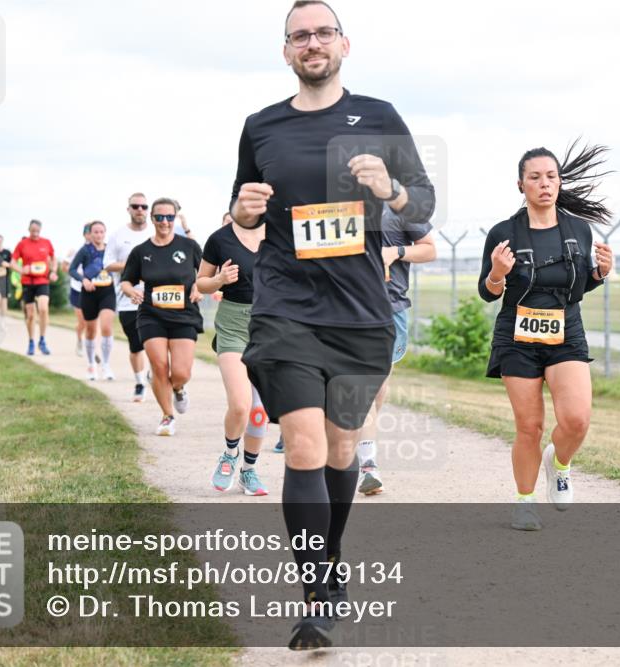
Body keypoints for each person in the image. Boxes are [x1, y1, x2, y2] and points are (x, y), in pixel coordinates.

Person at [229, 0, 435, 649]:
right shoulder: (261, 127)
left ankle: (330, 557)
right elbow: (242, 212)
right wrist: (243, 207)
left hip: (359, 313)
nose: (311, 43)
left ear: (344, 44)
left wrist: (391, 191)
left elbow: (423, 202)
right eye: (299, 36)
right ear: (286, 51)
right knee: (306, 447)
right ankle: (317, 595)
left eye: (322, 33)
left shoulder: (378, 117)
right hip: (286, 306)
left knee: (343, 450)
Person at [478, 144, 614, 532]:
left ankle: (560, 464)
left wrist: (600, 273)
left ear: (559, 181)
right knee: (530, 426)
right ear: (520, 184)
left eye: (551, 176)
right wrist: (497, 273)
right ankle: (525, 502)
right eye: (535, 177)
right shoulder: (503, 233)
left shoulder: (578, 230)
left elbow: (577, 286)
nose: (544, 184)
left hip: (566, 329)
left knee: (576, 420)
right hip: (517, 334)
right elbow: (487, 292)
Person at [355, 204, 437, 495]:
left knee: (376, 390)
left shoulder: (401, 207)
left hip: (391, 309)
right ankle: (368, 465)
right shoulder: (337, 206)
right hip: (349, 308)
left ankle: (358, 436)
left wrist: (397, 252)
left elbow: (429, 249)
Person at [196, 213, 269, 496]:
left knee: (260, 411)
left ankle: (249, 471)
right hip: (233, 325)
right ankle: (229, 454)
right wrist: (219, 279)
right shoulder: (220, 239)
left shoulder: (277, 236)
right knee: (241, 404)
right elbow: (201, 283)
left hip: (269, 326)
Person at [120, 198, 204, 436]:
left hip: (184, 315)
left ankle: (178, 388)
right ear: (152, 219)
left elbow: (207, 273)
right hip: (151, 315)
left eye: (169, 217)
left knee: (181, 372)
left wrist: (199, 288)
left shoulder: (189, 246)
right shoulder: (141, 251)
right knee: (159, 366)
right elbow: (126, 280)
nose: (165, 222)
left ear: (175, 217)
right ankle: (167, 416)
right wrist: (131, 291)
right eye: (159, 217)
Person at [104, 192, 152, 402]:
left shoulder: (153, 233)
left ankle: (154, 373)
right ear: (129, 209)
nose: (139, 210)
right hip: (127, 300)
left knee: (157, 341)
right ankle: (140, 381)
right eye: (135, 206)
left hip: (154, 298)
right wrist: (132, 266)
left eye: (143, 206)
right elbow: (108, 264)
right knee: (136, 345)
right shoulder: (117, 235)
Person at [69, 221, 117, 381]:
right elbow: (72, 269)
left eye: (101, 232)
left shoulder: (110, 249)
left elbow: (119, 265)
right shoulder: (85, 250)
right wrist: (83, 280)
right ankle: (91, 364)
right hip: (89, 293)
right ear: (90, 234)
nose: (98, 235)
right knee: (90, 331)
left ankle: (106, 364)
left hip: (107, 292)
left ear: (105, 233)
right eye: (95, 232)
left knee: (106, 327)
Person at [10, 219, 57, 355]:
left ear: (40, 230)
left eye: (37, 231)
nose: (35, 233)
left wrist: (53, 271)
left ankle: (42, 340)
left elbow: (53, 258)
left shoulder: (46, 242)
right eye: (33, 231)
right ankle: (31, 342)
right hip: (27, 282)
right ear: (29, 230)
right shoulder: (22, 244)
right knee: (30, 315)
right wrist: (20, 270)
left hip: (42, 281)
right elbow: (12, 263)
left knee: (43, 308)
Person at [63, 224, 93, 356]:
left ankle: (90, 346)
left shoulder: (101, 249)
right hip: (77, 289)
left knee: (91, 322)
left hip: (92, 289)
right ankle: (80, 341)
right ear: (85, 234)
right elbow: (64, 267)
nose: (92, 235)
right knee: (82, 321)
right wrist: (78, 275)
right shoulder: (76, 249)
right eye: (89, 232)